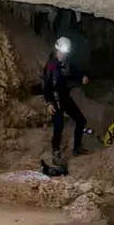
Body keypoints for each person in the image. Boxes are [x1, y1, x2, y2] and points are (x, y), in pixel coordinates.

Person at [43, 36, 90, 166]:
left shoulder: (66, 63)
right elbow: (46, 86)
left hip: (65, 98)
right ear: (56, 50)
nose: (63, 55)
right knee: (59, 127)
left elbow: (74, 71)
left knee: (81, 120)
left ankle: (77, 147)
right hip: (55, 100)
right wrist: (48, 103)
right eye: (61, 53)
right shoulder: (50, 66)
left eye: (65, 53)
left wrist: (82, 77)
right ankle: (56, 153)